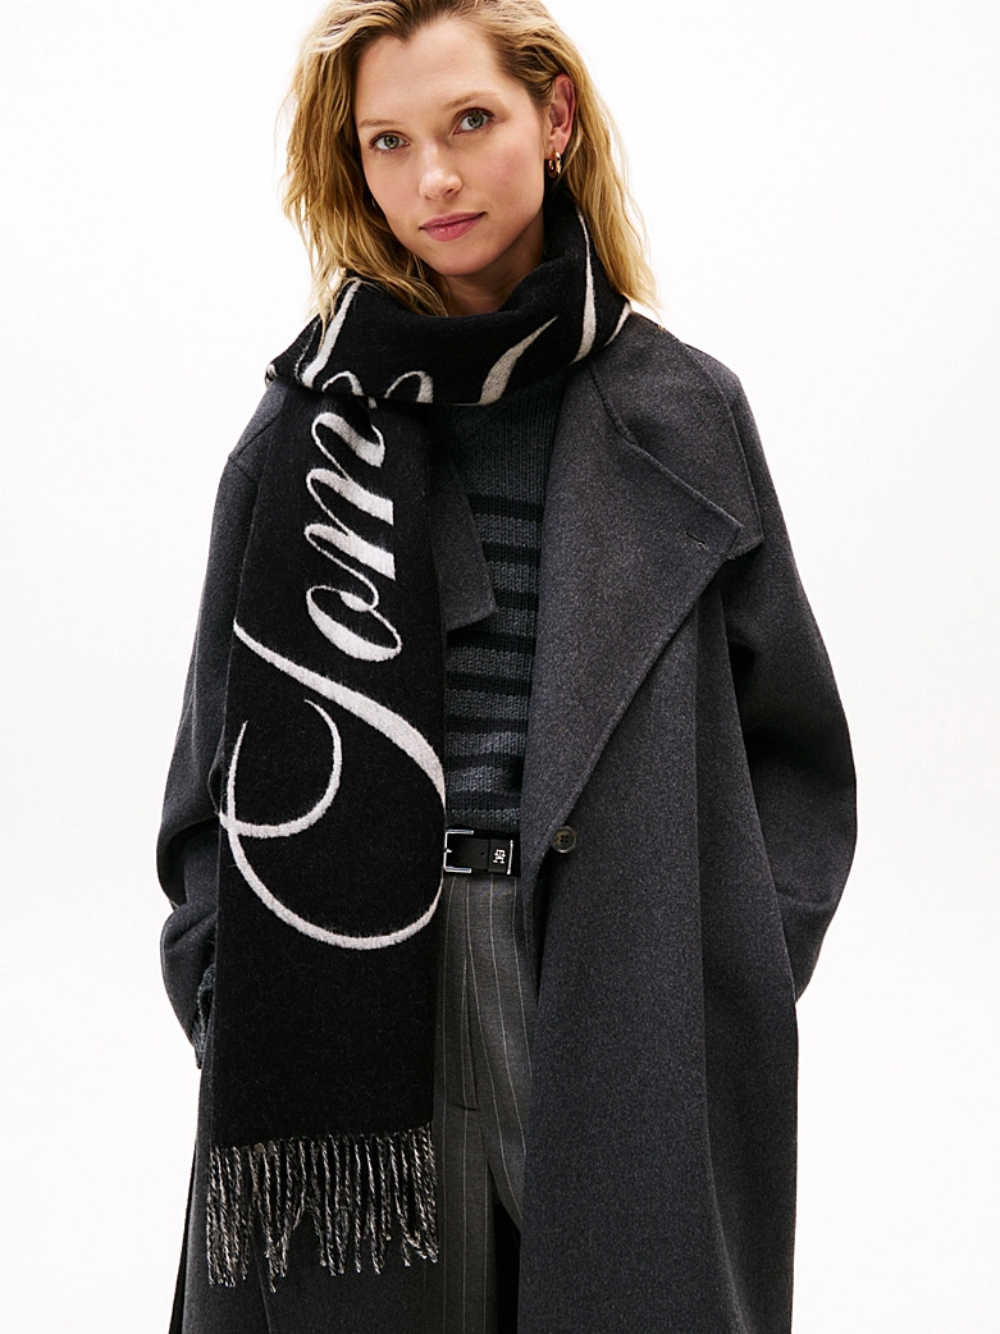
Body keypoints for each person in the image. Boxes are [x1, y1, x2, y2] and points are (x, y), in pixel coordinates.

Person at [156, 1, 856, 1331]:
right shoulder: (300, 432)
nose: (434, 176)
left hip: (620, 979)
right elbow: (208, 786)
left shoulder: (685, 412)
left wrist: (727, 976)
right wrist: (233, 1000)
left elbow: (798, 748)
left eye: (470, 121)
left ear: (555, 117)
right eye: (388, 141)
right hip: (357, 996)